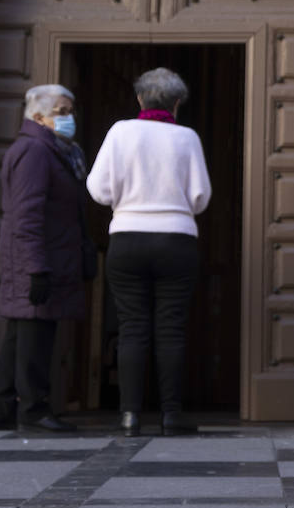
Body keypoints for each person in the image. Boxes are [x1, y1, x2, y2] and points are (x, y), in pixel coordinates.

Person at [87, 67, 211, 437]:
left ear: (140, 99)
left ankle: (130, 416)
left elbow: (98, 189)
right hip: (176, 241)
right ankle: (171, 415)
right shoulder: (186, 137)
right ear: (176, 103)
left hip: (127, 239)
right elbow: (200, 197)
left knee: (132, 328)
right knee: (170, 329)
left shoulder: (120, 132)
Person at [0, 84, 92, 432]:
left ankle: (1, 406)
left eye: (70, 111)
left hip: (46, 253)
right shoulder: (35, 151)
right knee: (35, 332)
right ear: (38, 116)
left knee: (20, 330)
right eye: (61, 112)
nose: (68, 118)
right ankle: (33, 409)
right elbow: (26, 214)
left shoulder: (54, 151)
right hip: (35, 255)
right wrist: (36, 267)